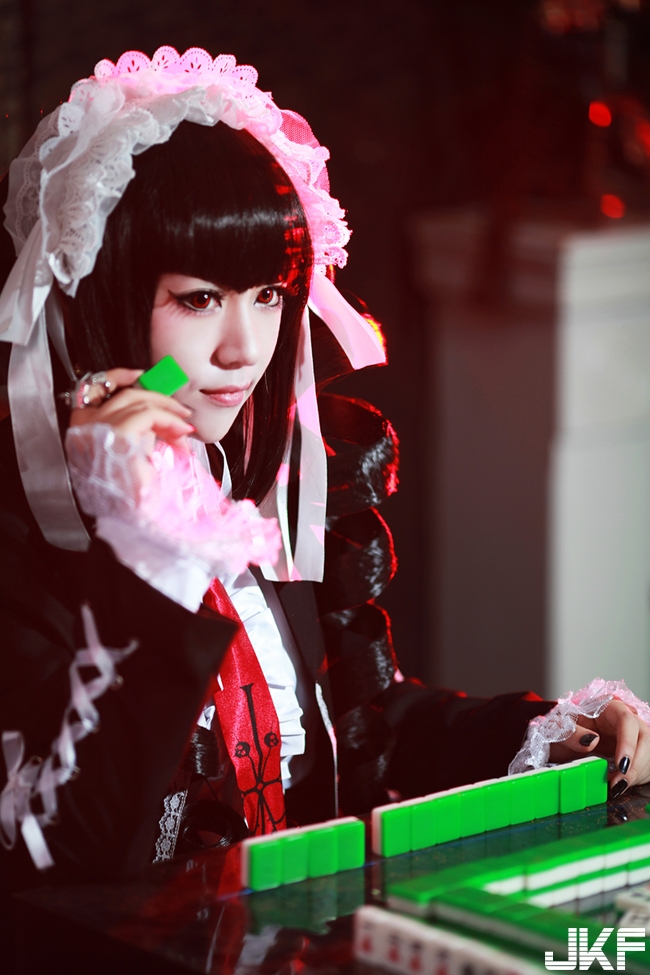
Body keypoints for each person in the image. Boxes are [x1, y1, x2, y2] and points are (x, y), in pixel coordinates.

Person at [1, 46, 649, 900]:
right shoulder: (25, 545)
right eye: (199, 298)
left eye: (268, 294)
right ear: (110, 297)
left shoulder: (265, 492)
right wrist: (150, 561)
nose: (244, 350)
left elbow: (361, 730)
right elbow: (83, 850)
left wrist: (551, 733)